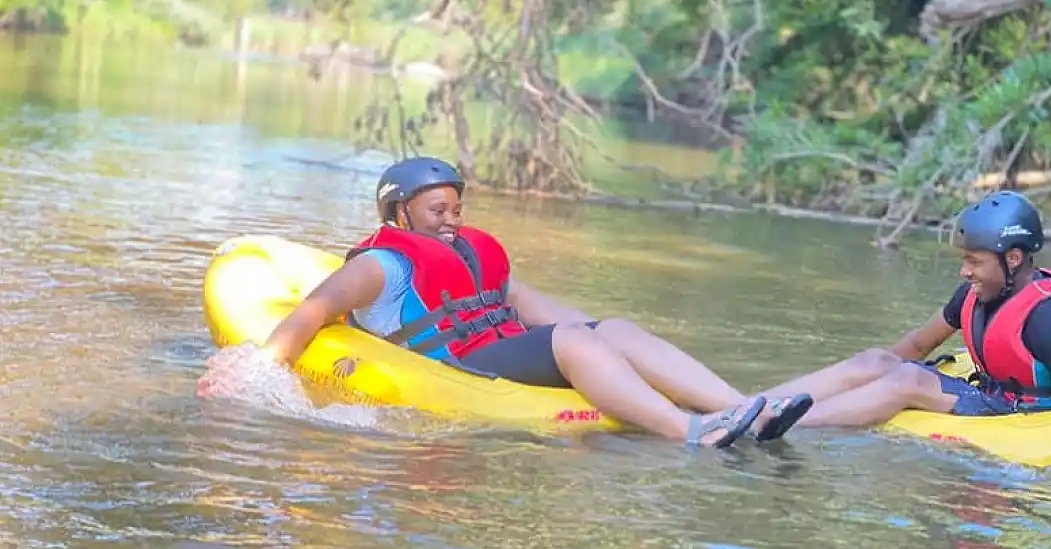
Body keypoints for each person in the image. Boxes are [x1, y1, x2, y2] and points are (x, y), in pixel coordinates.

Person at [199, 156, 813, 448]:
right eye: (437, 211)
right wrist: (257, 362)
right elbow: (311, 312)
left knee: (609, 329)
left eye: (457, 210)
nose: (451, 221)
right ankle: (691, 432)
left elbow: (546, 312)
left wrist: (615, 342)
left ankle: (744, 410)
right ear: (399, 211)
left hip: (496, 348)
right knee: (574, 343)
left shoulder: (470, 255)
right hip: (456, 366)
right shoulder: (379, 266)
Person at [755, 190, 1051, 472]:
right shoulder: (974, 293)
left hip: (1024, 411)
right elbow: (916, 344)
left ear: (1013, 259)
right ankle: (748, 406)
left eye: (975, 261)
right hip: (993, 394)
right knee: (878, 360)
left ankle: (777, 425)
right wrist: (873, 372)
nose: (965, 270)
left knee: (907, 382)